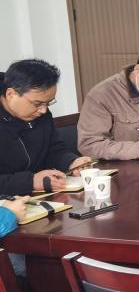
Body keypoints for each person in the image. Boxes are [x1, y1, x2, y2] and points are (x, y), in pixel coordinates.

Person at [0, 59, 94, 195]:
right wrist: (30, 181)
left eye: (48, 103)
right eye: (37, 104)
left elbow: (53, 149)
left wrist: (72, 162)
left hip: (38, 196)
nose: (44, 110)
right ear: (11, 94)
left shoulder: (39, 114)